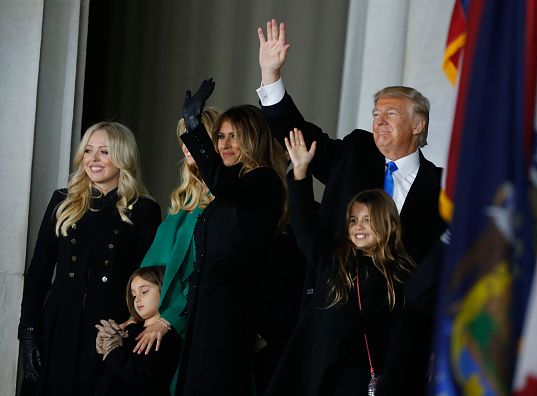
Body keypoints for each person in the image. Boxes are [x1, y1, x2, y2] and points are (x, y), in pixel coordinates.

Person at [257, 20, 447, 393]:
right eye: (375, 114)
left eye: (390, 114)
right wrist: (271, 75)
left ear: (418, 125)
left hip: (398, 335)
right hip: (332, 319)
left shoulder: (442, 188)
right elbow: (299, 135)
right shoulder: (355, 153)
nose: (378, 122)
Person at [264, 128, 414, 396]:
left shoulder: (400, 273)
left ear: (387, 224)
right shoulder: (335, 258)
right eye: (354, 220)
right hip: (321, 375)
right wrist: (300, 172)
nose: (359, 227)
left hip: (363, 379)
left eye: (368, 220)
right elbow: (305, 225)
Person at [18, 122, 161, 396]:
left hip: (109, 331)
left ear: (123, 157)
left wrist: (130, 329)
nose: (93, 160)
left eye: (104, 152)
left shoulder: (144, 210)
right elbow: (38, 271)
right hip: (57, 327)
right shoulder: (62, 201)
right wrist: (28, 331)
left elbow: (148, 280)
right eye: (88, 151)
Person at [175, 78, 287, 395]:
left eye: (233, 137)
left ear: (253, 139)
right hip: (206, 313)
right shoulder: (229, 190)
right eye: (220, 136)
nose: (223, 144)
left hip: (230, 319)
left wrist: (196, 128)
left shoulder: (264, 181)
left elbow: (226, 187)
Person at [132, 108, 220, 356]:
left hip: (196, 326)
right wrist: (137, 316)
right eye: (183, 138)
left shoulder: (223, 204)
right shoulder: (183, 204)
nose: (186, 145)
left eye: (193, 136)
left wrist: (168, 319)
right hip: (162, 325)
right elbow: (153, 270)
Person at [94, 266, 182, 396]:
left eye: (144, 291)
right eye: (134, 295)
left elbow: (142, 379)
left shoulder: (167, 337)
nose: (137, 299)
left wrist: (113, 351)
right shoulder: (129, 330)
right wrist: (103, 345)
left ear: (165, 290)